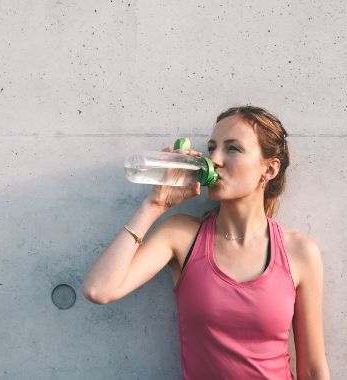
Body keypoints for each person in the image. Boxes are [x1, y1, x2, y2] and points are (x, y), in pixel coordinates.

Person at [82, 105, 330, 380]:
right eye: (212, 148)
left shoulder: (299, 252)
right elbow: (99, 290)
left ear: (269, 169)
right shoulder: (181, 236)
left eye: (232, 148)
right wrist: (154, 205)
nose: (215, 160)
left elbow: (312, 369)